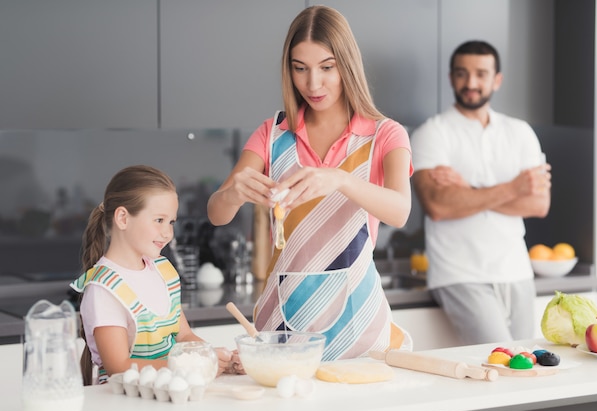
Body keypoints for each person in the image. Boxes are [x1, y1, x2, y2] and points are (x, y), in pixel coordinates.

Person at [207, 5, 413, 360]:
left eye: (326, 68)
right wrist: (233, 192)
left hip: (357, 322)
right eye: (300, 68)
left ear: (347, 65)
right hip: (283, 323)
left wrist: (339, 179)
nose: (312, 83)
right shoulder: (273, 134)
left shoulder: (385, 134)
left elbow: (400, 211)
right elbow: (216, 214)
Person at [410, 40, 552, 345]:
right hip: (460, 274)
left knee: (528, 373)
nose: (471, 83)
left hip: (517, 271)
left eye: (481, 74)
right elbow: (438, 205)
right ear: (451, 77)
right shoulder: (431, 134)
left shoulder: (520, 132)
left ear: (496, 79)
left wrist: (468, 190)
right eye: (462, 74)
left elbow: (539, 203)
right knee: (501, 367)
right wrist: (514, 188)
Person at [71, 165, 243, 384]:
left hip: (167, 394)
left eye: (171, 222)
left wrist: (215, 358)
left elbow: (184, 336)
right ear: (123, 218)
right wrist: (189, 366)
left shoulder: (163, 270)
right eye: (159, 220)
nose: (168, 232)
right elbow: (118, 367)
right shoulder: (104, 289)